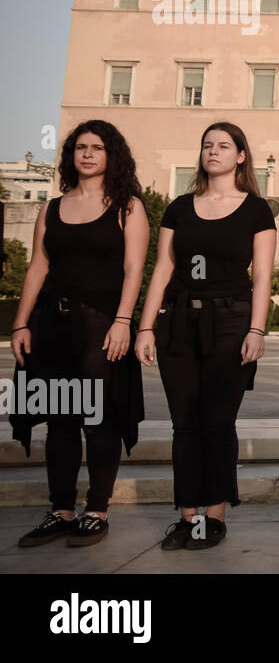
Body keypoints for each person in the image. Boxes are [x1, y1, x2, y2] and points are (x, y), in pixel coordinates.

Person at [135, 123, 277, 550]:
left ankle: (213, 516)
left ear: (240, 157)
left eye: (223, 146)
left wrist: (257, 329)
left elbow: (263, 277)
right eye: (207, 145)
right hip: (178, 321)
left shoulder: (256, 210)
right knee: (184, 424)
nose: (213, 152)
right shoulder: (179, 208)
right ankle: (186, 516)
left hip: (231, 323)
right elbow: (162, 268)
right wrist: (145, 326)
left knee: (217, 422)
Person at [10, 121, 147, 547]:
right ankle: (61, 510)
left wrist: (124, 321)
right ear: (71, 155)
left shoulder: (128, 206)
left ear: (112, 156)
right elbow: (38, 266)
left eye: (97, 148)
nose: (87, 154)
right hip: (52, 325)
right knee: (60, 421)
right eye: (80, 147)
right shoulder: (51, 208)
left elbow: (133, 270)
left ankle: (98, 509)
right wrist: (21, 322)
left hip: (101, 326)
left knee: (98, 419)